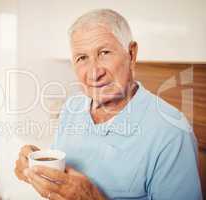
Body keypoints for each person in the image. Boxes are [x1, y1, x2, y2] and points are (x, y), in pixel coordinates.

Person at [15, 9, 203, 200]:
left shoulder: (172, 133)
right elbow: (61, 182)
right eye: (82, 58)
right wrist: (35, 166)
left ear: (131, 54)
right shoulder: (72, 107)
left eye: (104, 53)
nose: (94, 73)